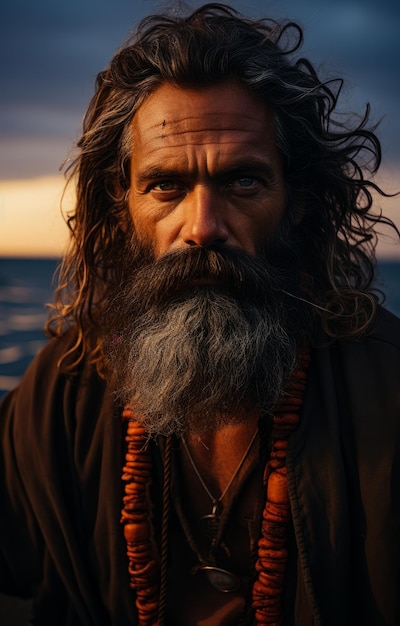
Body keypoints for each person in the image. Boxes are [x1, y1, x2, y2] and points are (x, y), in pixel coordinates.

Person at [1, 3, 399, 625]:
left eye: (243, 182)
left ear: (296, 201)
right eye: (166, 186)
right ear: (122, 205)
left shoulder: (387, 390)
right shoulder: (65, 391)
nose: (204, 226)